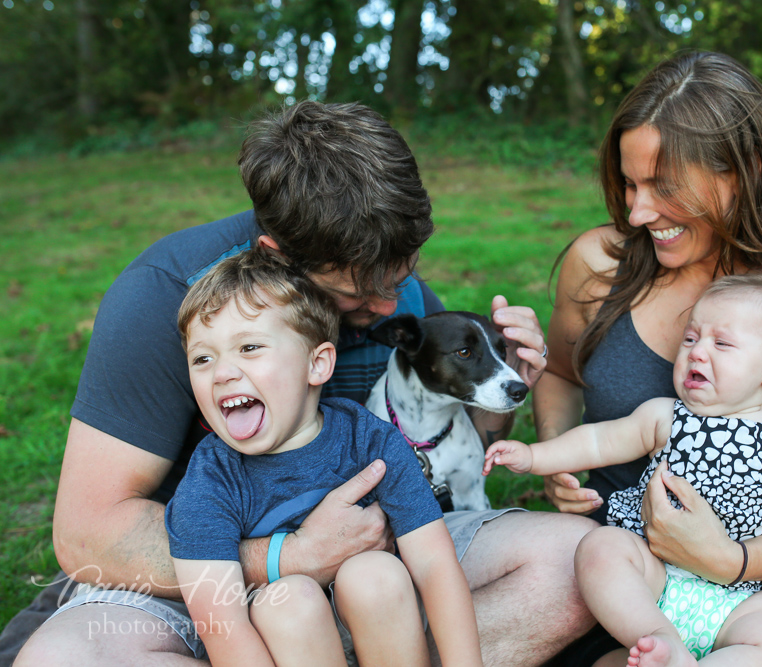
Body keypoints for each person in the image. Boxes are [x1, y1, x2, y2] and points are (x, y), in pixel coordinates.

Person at [11, 100, 595, 666]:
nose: (390, 302)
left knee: (578, 564)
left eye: (404, 273)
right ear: (276, 256)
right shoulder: (165, 298)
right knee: (64, 658)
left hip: (381, 566)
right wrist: (288, 558)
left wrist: (501, 383)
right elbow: (88, 535)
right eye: (356, 295)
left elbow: (452, 446)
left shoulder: (394, 297)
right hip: (207, 583)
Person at [531, 50, 762, 666]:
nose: (637, 212)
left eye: (665, 187)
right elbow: (559, 370)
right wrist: (557, 451)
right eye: (630, 183)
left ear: (744, 171)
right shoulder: (598, 263)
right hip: (628, 570)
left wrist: (733, 560)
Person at [486, 275, 762, 667]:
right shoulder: (666, 416)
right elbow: (598, 441)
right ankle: (659, 638)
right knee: (601, 549)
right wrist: (535, 457)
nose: (698, 352)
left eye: (722, 344)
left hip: (744, 596)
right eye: (691, 339)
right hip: (655, 573)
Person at [166, 247, 480, 666]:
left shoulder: (368, 440)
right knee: (288, 600)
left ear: (317, 364)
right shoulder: (211, 479)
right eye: (202, 358)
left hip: (379, 621)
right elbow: (221, 623)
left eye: (250, 348)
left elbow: (434, 566)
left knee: (376, 574)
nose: (221, 372)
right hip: (277, 644)